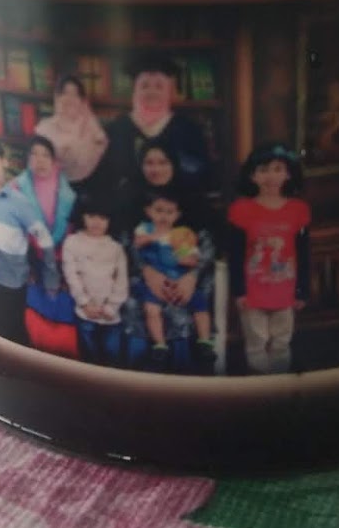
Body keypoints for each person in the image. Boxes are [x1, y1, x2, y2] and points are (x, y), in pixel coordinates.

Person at [227, 144, 313, 374]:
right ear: (252, 175)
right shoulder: (241, 209)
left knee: (281, 342)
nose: (271, 176)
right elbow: (235, 254)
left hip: (285, 289)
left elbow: (303, 252)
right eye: (263, 170)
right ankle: (261, 385)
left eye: (277, 169)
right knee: (256, 343)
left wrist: (302, 290)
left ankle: (280, 385)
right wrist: (239, 291)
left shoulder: (298, 210)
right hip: (252, 291)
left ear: (288, 174)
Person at [101, 52, 217, 202]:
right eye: (144, 86)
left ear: (169, 91)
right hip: (128, 208)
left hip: (176, 208)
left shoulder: (187, 129)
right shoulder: (117, 129)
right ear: (135, 90)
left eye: (159, 86)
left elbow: (202, 175)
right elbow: (107, 177)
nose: (152, 92)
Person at [0, 135, 55, 345]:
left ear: (4, 160)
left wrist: (50, 274)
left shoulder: (19, 201)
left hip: (14, 279)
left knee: (15, 328)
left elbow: (44, 238)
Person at [11, 135, 79, 357]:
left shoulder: (67, 191)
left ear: (53, 160)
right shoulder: (17, 189)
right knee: (36, 310)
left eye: (45, 155)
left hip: (64, 260)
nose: (39, 160)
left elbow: (74, 228)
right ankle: (38, 347)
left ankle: (63, 351)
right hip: (32, 259)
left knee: (63, 311)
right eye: (34, 154)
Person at [133, 186, 213, 370]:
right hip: (155, 279)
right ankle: (160, 344)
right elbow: (137, 243)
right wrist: (154, 237)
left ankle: (204, 341)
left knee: (200, 304)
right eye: (159, 210)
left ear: (177, 215)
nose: (164, 216)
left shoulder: (181, 234)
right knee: (151, 309)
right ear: (149, 211)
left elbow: (192, 259)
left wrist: (184, 257)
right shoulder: (145, 229)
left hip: (178, 278)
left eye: (169, 212)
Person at [61, 192, 128, 365]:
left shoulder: (115, 248)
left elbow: (121, 281)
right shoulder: (72, 242)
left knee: (112, 357)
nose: (96, 222)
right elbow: (71, 275)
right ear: (82, 216)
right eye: (91, 216)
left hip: (111, 316)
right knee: (88, 357)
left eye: (103, 218)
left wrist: (112, 306)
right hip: (84, 313)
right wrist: (84, 303)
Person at [34, 74, 109, 186]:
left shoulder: (91, 128)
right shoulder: (44, 128)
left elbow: (99, 151)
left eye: (75, 94)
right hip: (52, 187)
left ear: (82, 101)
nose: (69, 98)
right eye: (64, 93)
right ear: (57, 97)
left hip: (87, 186)